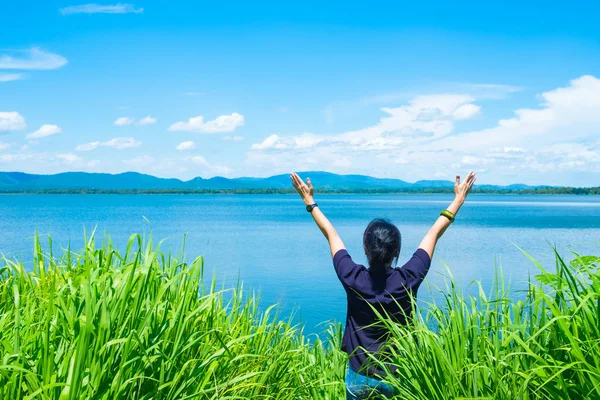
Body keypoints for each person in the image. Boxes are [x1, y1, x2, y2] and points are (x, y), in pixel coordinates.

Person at [290, 171, 477, 399]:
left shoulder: (352, 277)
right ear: (396, 251)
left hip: (359, 376)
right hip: (396, 375)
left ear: (366, 250)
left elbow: (331, 234)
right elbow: (434, 233)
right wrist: (458, 200)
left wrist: (309, 202)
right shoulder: (408, 279)